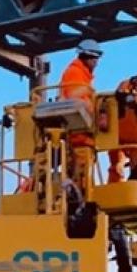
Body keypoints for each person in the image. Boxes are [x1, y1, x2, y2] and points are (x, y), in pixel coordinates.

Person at [52, 40, 104, 184]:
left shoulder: (81, 75)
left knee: (80, 174)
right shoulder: (75, 72)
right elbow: (76, 99)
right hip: (78, 136)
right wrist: (96, 114)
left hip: (81, 136)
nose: (96, 63)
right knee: (80, 177)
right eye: (95, 60)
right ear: (88, 57)